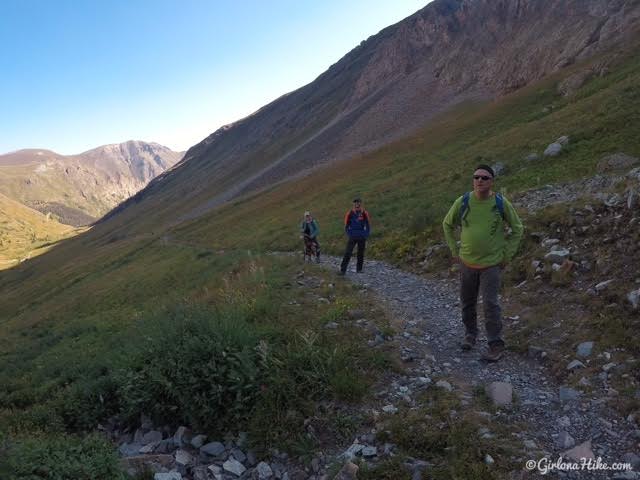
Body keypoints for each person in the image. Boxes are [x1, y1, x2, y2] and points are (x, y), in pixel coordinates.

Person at [442, 165, 523, 362]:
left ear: (491, 181)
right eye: (476, 177)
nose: (480, 181)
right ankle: (470, 334)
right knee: (467, 301)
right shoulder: (463, 201)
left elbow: (518, 228)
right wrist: (454, 251)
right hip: (467, 262)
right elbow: (447, 224)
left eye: (485, 178)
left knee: (490, 303)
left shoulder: (500, 203)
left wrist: (507, 256)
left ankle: (495, 344)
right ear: (473, 181)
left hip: (492, 264)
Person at [339, 198, 371, 275]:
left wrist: (365, 234)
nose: (357, 204)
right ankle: (343, 270)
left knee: (361, 253)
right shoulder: (350, 213)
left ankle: (359, 269)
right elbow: (346, 225)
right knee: (348, 253)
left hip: (361, 236)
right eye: (355, 203)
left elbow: (368, 225)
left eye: (358, 203)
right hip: (352, 236)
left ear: (360, 204)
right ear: (353, 204)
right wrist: (349, 233)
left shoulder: (364, 213)